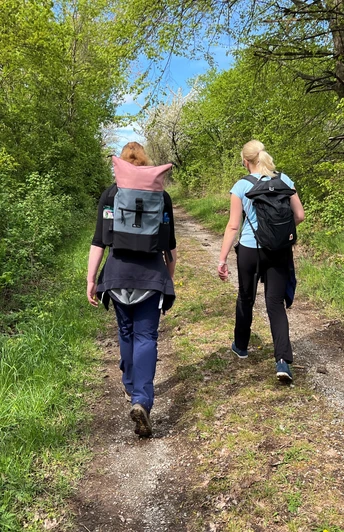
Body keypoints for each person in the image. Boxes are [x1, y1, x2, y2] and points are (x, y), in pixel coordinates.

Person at [87, 142, 177, 436]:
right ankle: (142, 399)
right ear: (146, 163)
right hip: (151, 278)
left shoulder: (111, 195)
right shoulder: (161, 197)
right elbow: (169, 249)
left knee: (125, 332)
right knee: (146, 337)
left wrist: (91, 280)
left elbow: (99, 242)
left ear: (122, 164)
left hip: (117, 277)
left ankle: (129, 385)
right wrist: (168, 280)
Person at [217, 140, 305, 382]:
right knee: (274, 303)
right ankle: (283, 361)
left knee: (246, 296)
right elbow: (299, 215)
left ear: (246, 161)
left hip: (249, 249)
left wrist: (222, 258)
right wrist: (278, 235)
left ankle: (241, 346)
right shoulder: (284, 180)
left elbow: (234, 225)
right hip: (278, 250)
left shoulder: (241, 185)